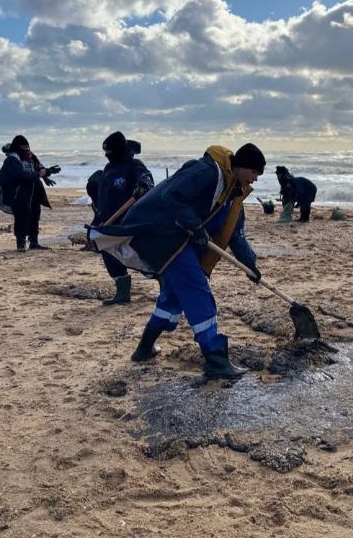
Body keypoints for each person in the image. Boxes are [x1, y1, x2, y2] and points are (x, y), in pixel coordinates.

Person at [89, 143, 266, 379]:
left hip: (180, 241)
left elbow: (235, 233)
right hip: (159, 234)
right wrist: (195, 226)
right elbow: (172, 195)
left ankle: (144, 348)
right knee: (197, 290)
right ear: (242, 166)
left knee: (173, 296)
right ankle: (215, 359)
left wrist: (250, 265)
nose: (255, 179)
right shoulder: (206, 171)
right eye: (255, 173)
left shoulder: (233, 194)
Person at [89, 132, 154, 306]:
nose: (106, 155)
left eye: (109, 151)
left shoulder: (133, 165)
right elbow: (103, 198)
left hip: (128, 222)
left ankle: (164, 284)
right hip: (108, 222)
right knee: (109, 254)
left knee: (141, 255)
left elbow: (146, 178)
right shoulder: (109, 169)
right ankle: (122, 292)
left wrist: (144, 185)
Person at [0, 135, 60, 251]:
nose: (26, 150)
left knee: (35, 214)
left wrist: (47, 173)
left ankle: (34, 242)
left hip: (32, 192)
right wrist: (39, 174)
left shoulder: (30, 156)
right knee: (21, 217)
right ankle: (21, 244)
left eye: (27, 147)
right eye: (24, 147)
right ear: (17, 148)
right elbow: (20, 176)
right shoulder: (11, 160)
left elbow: (38, 167)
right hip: (18, 194)